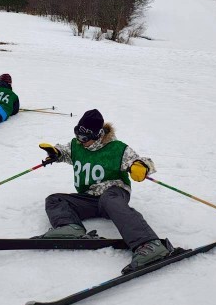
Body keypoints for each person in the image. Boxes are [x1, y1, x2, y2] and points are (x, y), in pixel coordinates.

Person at [37, 109, 175, 274]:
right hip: (89, 198)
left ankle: (149, 244)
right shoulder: (77, 145)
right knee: (55, 200)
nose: (80, 141)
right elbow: (65, 151)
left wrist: (141, 166)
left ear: (96, 135)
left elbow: (142, 161)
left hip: (113, 192)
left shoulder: (116, 149)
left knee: (110, 200)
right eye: (77, 134)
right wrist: (56, 153)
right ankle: (69, 227)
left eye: (84, 138)